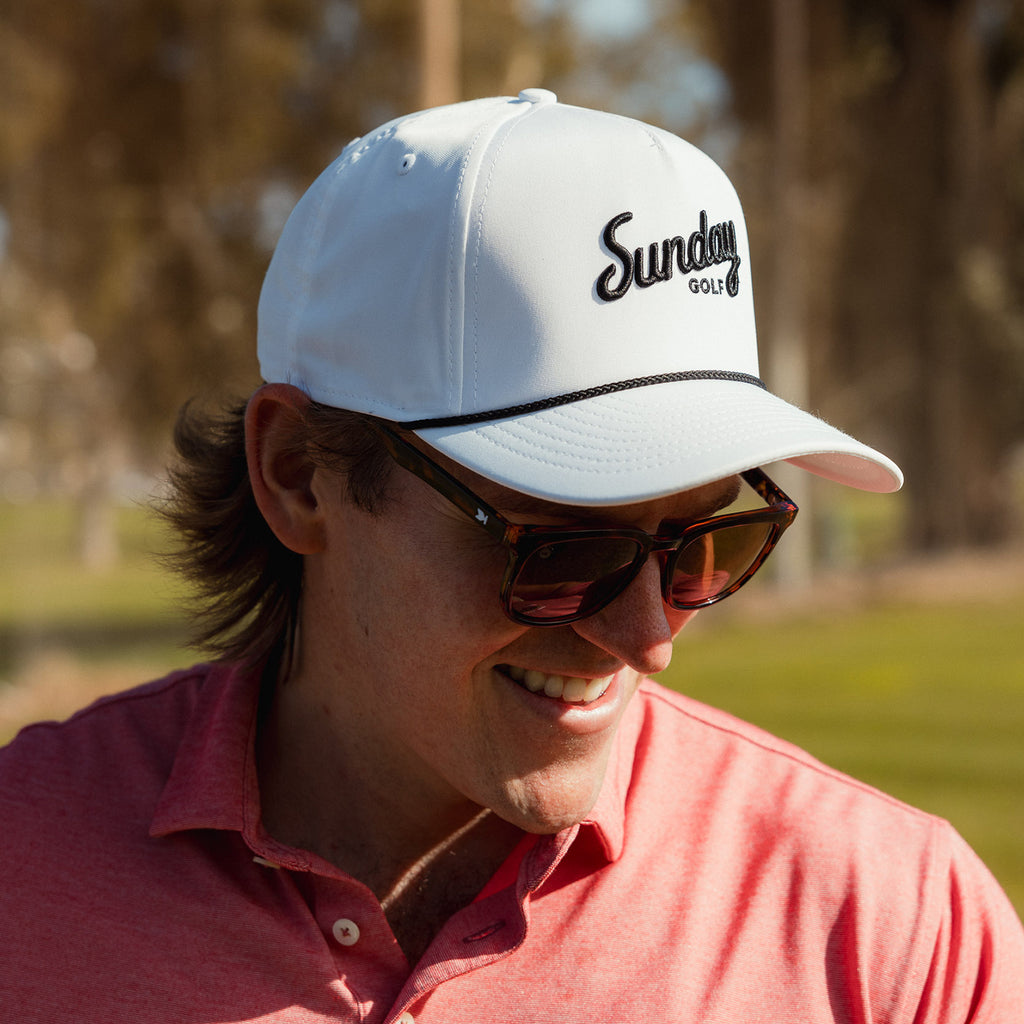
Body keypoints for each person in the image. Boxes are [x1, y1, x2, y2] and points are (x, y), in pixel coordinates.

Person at [2, 89, 1022, 1022]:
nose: (649, 636)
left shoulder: (896, 937)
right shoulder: (22, 873)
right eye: (562, 546)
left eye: (703, 542)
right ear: (297, 472)